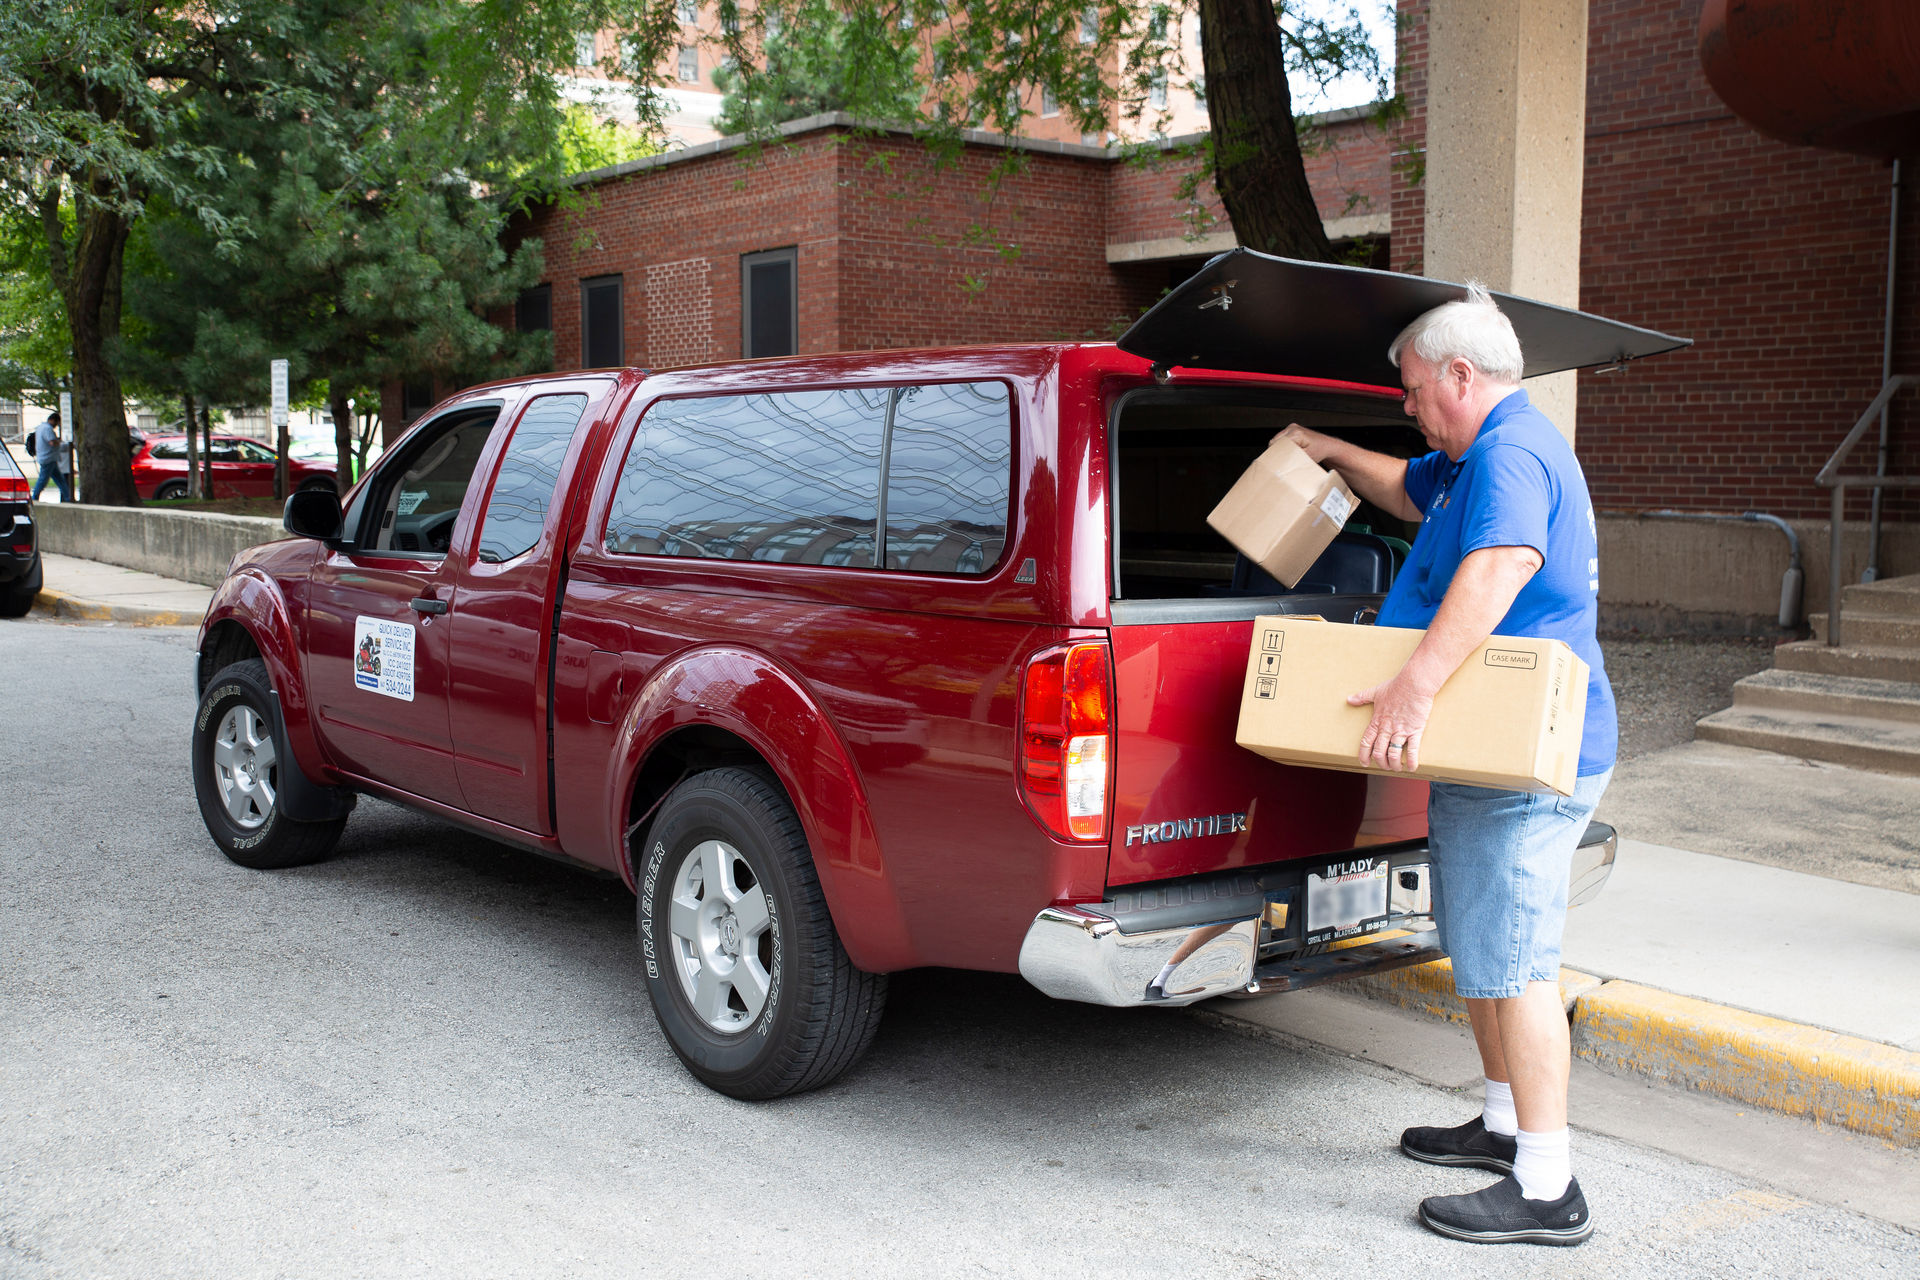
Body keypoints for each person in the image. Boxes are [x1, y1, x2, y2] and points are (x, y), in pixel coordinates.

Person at [1281, 284, 1615, 1248]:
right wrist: (1331, 452)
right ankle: (1505, 1128)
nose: (1409, 405)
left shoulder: (1511, 454)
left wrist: (1414, 684)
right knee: (1480, 948)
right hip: (1488, 753)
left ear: (1464, 376)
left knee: (1517, 966)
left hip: (1528, 758)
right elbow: (1404, 487)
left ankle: (1550, 1188)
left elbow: (1503, 564)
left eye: (1417, 390)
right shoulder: (1475, 458)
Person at [30, 410, 73, 503]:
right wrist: (59, 442)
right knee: (43, 480)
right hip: (48, 458)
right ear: (53, 420)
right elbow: (52, 442)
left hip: (50, 458)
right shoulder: (47, 429)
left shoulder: (41, 427)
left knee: (60, 479)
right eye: (57, 423)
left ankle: (68, 497)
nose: (56, 426)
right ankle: (34, 498)